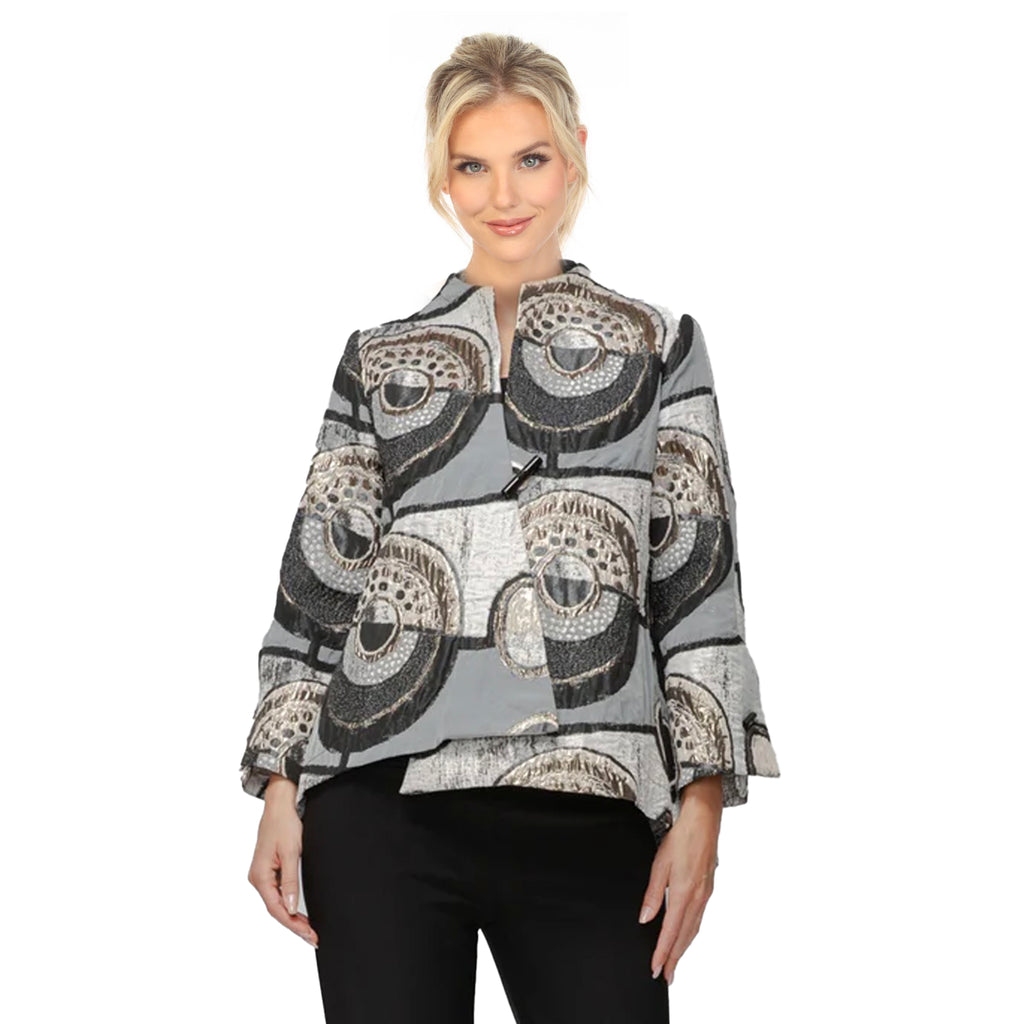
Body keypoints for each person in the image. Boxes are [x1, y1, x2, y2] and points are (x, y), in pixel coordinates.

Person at [241, 32, 780, 1024]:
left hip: (591, 794)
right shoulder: (379, 359)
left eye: (529, 158)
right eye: (471, 166)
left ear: (574, 152)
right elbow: (319, 585)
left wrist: (702, 803)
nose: (502, 195)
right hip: (381, 796)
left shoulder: (658, 345)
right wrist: (280, 783)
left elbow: (698, 588)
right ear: (441, 177)